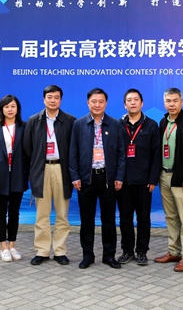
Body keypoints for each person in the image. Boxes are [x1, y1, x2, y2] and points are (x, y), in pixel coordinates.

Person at [69, 88, 125, 269]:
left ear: (106, 103)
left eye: (101, 101)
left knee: (109, 220)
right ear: (88, 103)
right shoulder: (79, 124)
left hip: (108, 178)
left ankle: (109, 256)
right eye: (94, 101)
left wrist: (119, 176)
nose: (97, 105)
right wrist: (75, 176)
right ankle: (88, 255)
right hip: (86, 179)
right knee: (87, 220)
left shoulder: (115, 124)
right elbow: (73, 153)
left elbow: (121, 153)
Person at [23, 85, 75, 266]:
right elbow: (27, 148)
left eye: (56, 97)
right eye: (50, 97)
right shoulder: (34, 121)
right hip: (42, 170)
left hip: (62, 170)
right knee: (42, 214)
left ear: (61, 100)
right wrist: (34, 169)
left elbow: (74, 149)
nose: (53, 100)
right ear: (44, 99)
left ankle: (60, 250)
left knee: (62, 213)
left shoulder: (70, 121)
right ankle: (42, 250)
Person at [154, 88, 183, 272]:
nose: (171, 104)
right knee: (171, 216)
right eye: (168, 101)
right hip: (164, 175)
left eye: (175, 101)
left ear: (182, 102)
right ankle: (174, 251)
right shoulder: (163, 122)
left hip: (181, 178)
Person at [117, 89, 160, 266]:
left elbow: (157, 155)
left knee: (143, 219)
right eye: (129, 100)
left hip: (144, 182)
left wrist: (153, 179)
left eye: (136, 100)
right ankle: (127, 251)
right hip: (123, 182)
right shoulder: (118, 125)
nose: (133, 103)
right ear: (124, 104)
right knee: (125, 219)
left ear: (142, 103)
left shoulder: (151, 125)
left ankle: (142, 251)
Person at [0, 95, 29, 262]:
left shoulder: (24, 127)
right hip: (0, 175)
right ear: (1, 109)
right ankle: (3, 247)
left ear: (18, 109)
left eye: (13, 106)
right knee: (1, 212)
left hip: (18, 174)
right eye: (6, 107)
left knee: (15, 213)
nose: (10, 110)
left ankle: (12, 245)